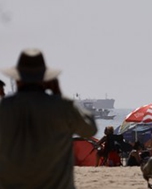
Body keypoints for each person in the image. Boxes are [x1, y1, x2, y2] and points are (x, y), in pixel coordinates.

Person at [0, 48, 97, 189]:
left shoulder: (4, 107)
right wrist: (59, 94)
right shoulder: (62, 106)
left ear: (17, 79)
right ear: (46, 80)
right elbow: (89, 129)